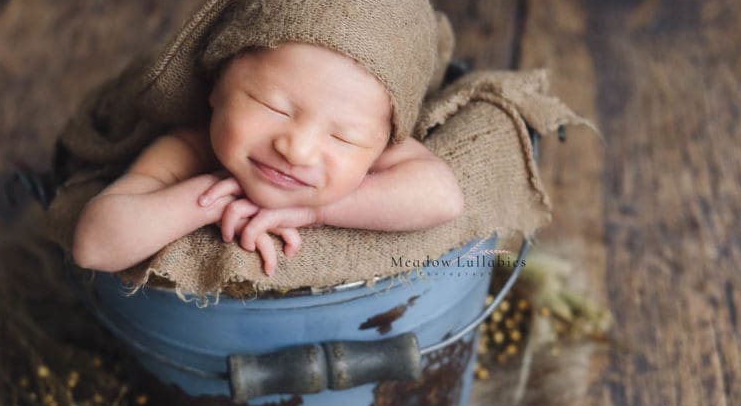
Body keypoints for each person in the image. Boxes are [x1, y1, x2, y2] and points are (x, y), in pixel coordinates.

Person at [71, 41, 464, 275]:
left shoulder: (364, 150)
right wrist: (210, 197)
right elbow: (93, 245)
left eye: (343, 135)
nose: (298, 149)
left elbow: (443, 196)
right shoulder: (190, 150)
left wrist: (319, 211)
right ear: (215, 90)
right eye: (271, 107)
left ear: (380, 144)